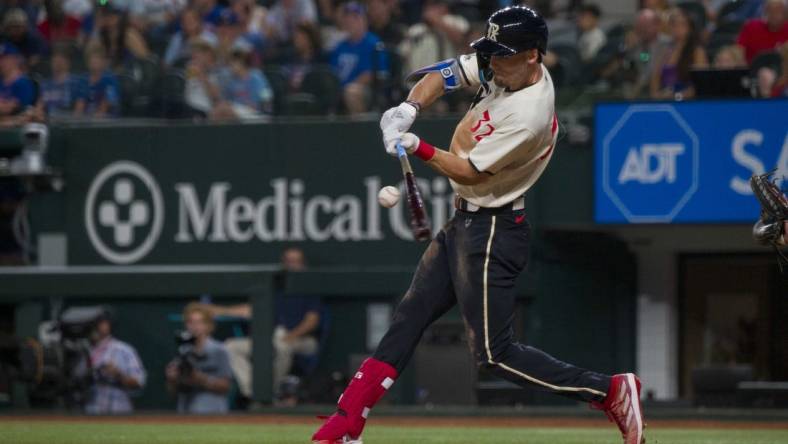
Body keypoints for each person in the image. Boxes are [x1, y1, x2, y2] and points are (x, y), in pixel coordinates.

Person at [311, 6, 645, 444]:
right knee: (408, 318)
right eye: (491, 52)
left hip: (494, 229)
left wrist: (418, 144)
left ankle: (611, 391)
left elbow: (469, 170)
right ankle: (346, 423)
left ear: (532, 56)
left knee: (494, 354)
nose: (492, 62)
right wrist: (408, 108)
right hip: (466, 220)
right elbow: (446, 73)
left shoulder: (530, 113)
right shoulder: (503, 67)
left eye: (502, 54)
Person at [198, 247, 323, 403]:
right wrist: (214, 310)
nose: (292, 266)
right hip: (272, 339)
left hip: (301, 340)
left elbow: (312, 322)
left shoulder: (309, 289)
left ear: (304, 265)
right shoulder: (275, 288)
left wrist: (290, 337)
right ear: (283, 264)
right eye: (289, 261)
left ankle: (273, 393)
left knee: (282, 347)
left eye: (296, 262)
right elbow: (249, 310)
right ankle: (254, 393)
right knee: (231, 346)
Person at [165, 303, 233, 413]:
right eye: (191, 322)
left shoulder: (219, 350)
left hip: (213, 411)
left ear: (209, 325)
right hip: (185, 411)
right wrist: (172, 379)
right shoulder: (183, 350)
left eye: (200, 322)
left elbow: (226, 387)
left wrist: (201, 379)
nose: (195, 327)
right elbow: (172, 391)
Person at [329, 2, 388, 115]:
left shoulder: (373, 43)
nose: (350, 22)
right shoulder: (340, 46)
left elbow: (371, 75)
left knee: (351, 92)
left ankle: (360, 129)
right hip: (340, 89)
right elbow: (332, 73)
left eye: (355, 18)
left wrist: (345, 88)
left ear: (364, 20)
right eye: (347, 18)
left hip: (367, 90)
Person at [85, 309, 147, 414]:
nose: (99, 326)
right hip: (89, 409)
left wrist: (118, 374)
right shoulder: (83, 349)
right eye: (96, 323)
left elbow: (139, 381)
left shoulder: (123, 349)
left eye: (103, 322)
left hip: (118, 408)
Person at [399, 0, 470, 76]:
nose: (429, 9)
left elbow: (462, 40)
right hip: (420, 77)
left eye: (434, 5)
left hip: (448, 76)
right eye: (427, 6)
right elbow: (403, 53)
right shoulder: (416, 29)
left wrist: (438, 22)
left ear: (444, 6)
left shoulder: (455, 21)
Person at [650, 8, 708, 99]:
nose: (677, 28)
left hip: (687, 100)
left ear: (690, 28)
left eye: (682, 24)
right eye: (674, 24)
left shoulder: (697, 52)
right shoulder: (664, 51)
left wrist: (678, 96)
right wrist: (656, 95)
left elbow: (701, 83)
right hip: (665, 97)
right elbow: (655, 77)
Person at [212, 43, 273, 120]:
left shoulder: (255, 76)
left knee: (224, 110)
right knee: (218, 110)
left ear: (241, 62)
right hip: (238, 111)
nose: (230, 66)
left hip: (256, 112)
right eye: (230, 63)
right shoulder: (233, 81)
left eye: (233, 62)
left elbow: (265, 97)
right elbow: (226, 100)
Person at [39, 46, 86, 118]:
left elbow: (79, 108)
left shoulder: (77, 82)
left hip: (68, 123)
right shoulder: (46, 84)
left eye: (61, 60)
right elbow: (40, 107)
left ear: (68, 63)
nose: (57, 63)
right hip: (49, 123)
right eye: (55, 60)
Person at [0, 43, 36, 119]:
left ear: (15, 59)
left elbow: (14, 110)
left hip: (16, 127)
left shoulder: (24, 83)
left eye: (4, 59)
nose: (1, 62)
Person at [82, 48, 121, 118]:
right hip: (86, 119)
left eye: (97, 59)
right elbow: (80, 102)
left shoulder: (110, 78)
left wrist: (98, 116)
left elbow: (108, 101)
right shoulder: (83, 79)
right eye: (92, 59)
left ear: (103, 62)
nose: (94, 61)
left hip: (107, 120)